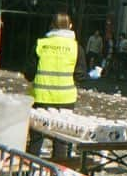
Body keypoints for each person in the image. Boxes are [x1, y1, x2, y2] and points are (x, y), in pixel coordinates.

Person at [25, 12, 87, 157]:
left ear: (51, 25)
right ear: (70, 26)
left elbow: (28, 72)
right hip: (65, 100)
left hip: (40, 98)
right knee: (60, 139)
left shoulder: (41, 44)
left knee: (36, 138)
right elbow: (81, 75)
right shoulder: (76, 47)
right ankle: (58, 175)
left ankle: (30, 173)